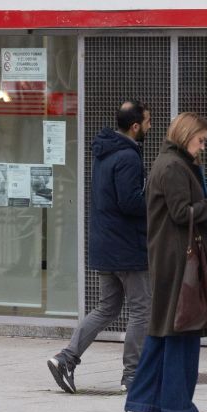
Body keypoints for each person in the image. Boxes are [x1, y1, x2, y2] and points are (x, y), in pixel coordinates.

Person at [124, 112, 207, 412]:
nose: (203, 146)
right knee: (183, 325)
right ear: (185, 135)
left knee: (164, 327)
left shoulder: (169, 163)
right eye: (200, 140)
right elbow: (181, 213)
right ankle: (176, 405)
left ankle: (147, 400)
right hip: (178, 258)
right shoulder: (174, 167)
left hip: (170, 255)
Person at [48, 101, 152, 394]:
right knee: (141, 309)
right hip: (127, 248)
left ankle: (65, 358)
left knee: (108, 307)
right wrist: (155, 199)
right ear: (135, 127)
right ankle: (133, 377)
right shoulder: (128, 157)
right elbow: (130, 202)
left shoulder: (105, 153)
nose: (150, 127)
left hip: (105, 245)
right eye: (147, 122)